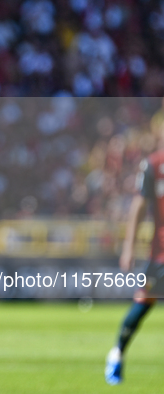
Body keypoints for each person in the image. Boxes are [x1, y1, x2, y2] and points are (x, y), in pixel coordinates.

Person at [105, 147, 164, 385]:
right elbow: (139, 205)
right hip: (161, 254)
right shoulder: (154, 164)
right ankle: (117, 354)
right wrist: (129, 247)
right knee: (142, 304)